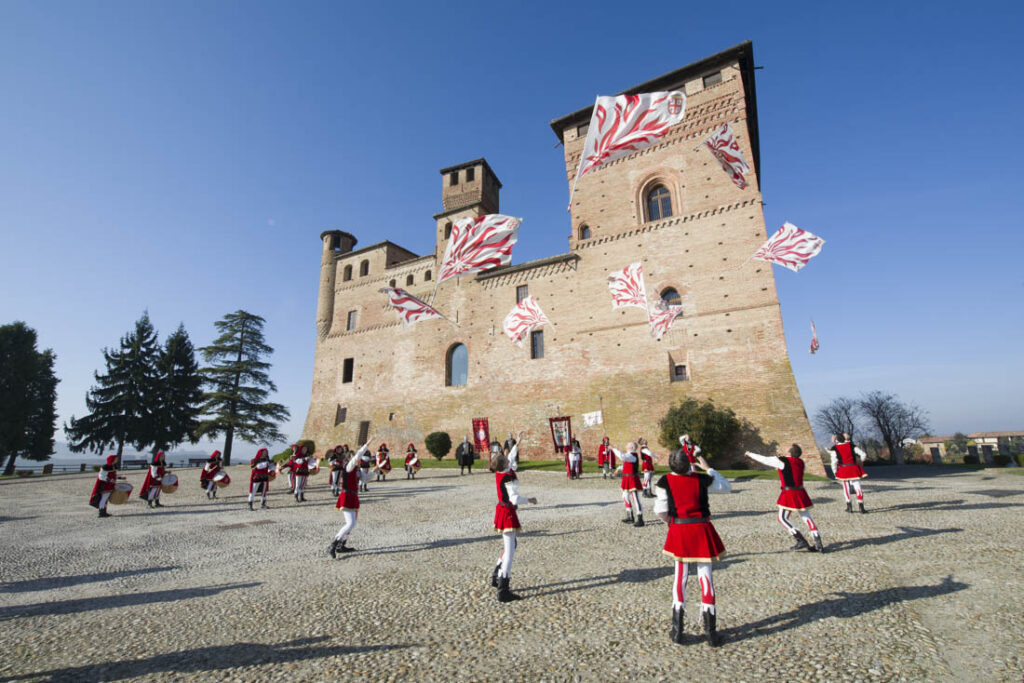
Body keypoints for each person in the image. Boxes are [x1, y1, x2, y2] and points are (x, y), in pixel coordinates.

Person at [654, 451, 731, 647]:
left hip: (680, 528)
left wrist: (672, 523)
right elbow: (726, 487)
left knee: (680, 578)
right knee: (706, 578)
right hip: (702, 529)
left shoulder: (664, 482)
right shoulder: (703, 479)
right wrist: (709, 469)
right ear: (689, 464)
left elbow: (660, 511)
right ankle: (711, 634)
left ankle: (678, 630)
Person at [745, 445, 824, 552]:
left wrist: (750, 454)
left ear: (790, 453)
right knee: (806, 517)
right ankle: (818, 542)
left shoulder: (782, 461)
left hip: (789, 493)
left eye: (787, 449)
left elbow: (764, 459)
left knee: (782, 518)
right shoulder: (801, 462)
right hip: (801, 492)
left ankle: (800, 539)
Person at [489, 447, 537, 602]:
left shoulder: (500, 472)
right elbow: (514, 499)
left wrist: (518, 441)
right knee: (509, 552)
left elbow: (510, 456)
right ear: (504, 464)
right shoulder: (507, 477)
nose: (509, 460)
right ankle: (503, 589)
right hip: (507, 512)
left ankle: (497, 574)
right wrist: (529, 500)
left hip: (502, 509)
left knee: (512, 545)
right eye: (506, 460)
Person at [328, 439, 373, 557]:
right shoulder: (348, 467)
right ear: (349, 459)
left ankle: (341, 545)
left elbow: (365, 478)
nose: (356, 459)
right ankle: (333, 544)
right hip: (346, 496)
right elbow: (356, 457)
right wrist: (366, 445)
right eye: (353, 457)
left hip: (353, 497)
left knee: (352, 523)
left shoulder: (356, 470)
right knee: (350, 523)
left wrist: (377, 470)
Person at [829, 433, 868, 513]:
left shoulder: (835, 449)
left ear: (837, 440)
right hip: (854, 468)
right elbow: (863, 454)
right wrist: (860, 461)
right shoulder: (852, 446)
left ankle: (849, 507)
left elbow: (834, 462)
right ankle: (861, 507)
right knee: (858, 487)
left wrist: (835, 472)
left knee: (846, 488)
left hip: (843, 469)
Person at [612, 442, 645, 526]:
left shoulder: (632, 455)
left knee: (635, 498)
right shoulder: (629, 455)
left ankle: (640, 518)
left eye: (628, 445)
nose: (626, 445)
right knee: (625, 496)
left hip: (632, 478)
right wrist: (619, 468)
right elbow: (625, 463)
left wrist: (613, 449)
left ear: (632, 447)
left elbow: (622, 456)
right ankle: (630, 515)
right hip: (626, 478)